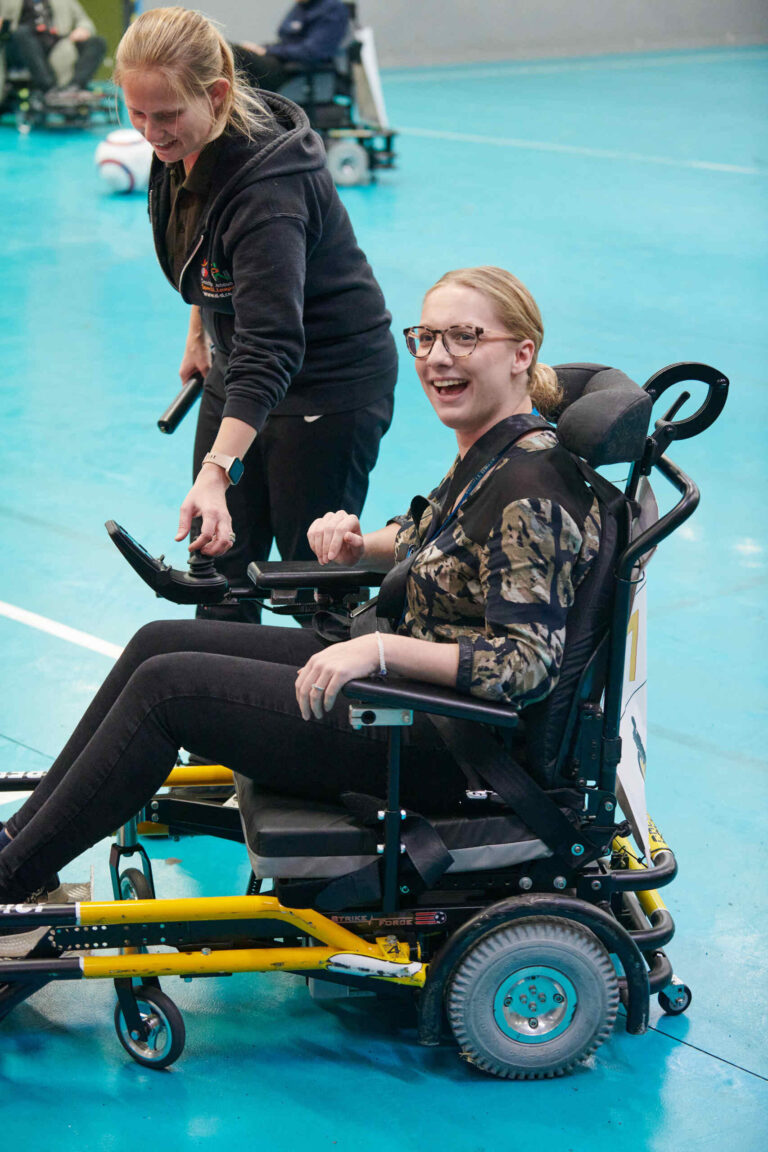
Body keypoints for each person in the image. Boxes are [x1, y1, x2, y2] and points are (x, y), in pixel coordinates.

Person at [0, 266, 601, 924]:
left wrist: (378, 651)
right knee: (157, 642)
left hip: (447, 742)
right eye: (426, 337)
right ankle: (15, 846)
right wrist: (360, 545)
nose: (437, 357)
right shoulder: (498, 449)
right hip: (409, 700)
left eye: (464, 336)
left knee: (167, 691)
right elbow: (435, 537)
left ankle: (8, 877)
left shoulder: (530, 493)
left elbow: (524, 665)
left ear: (521, 354)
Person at [114, 7, 397, 621]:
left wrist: (218, 470)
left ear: (216, 95)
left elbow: (272, 343)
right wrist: (201, 331)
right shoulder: (184, 146)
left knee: (310, 586)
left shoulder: (268, 188)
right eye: (137, 113)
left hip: (327, 384)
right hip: (241, 363)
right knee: (217, 574)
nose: (151, 132)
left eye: (166, 115)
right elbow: (205, 251)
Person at [0, 0, 105, 105]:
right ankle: (49, 89)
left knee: (97, 42)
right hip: (18, 46)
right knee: (22, 33)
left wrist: (83, 29)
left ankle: (74, 88)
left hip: (54, 42)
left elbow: (83, 20)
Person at [233, 0, 350, 95]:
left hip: (292, 70)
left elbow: (313, 51)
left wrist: (267, 51)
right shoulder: (302, 6)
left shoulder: (331, 9)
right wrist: (260, 48)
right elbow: (285, 41)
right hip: (280, 60)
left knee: (236, 53)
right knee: (236, 50)